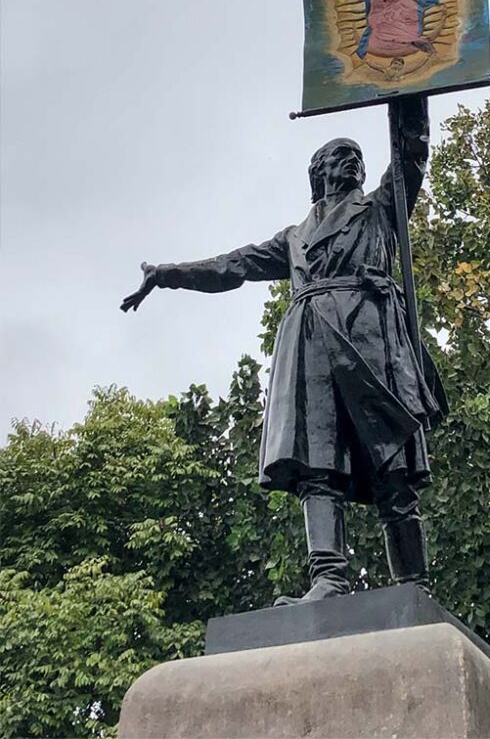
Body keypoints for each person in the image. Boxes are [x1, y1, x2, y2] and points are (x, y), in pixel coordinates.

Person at [121, 96, 446, 604]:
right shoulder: (295, 237)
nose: (353, 160)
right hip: (313, 343)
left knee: (394, 468)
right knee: (318, 465)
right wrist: (166, 276)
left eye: (357, 154)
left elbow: (411, 153)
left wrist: (412, 91)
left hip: (371, 339)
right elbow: (234, 266)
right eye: (341, 155)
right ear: (318, 172)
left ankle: (414, 585)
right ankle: (329, 579)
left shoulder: (382, 207)